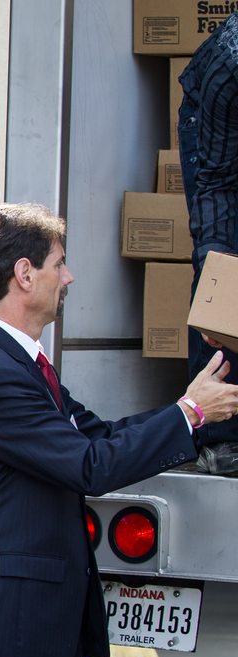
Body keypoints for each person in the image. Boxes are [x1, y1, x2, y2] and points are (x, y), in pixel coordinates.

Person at [0, 204, 238, 657]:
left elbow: (98, 436)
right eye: (60, 263)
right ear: (25, 274)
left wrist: (197, 414)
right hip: (10, 633)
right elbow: (89, 466)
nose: (69, 277)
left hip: (45, 631)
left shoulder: (27, 368)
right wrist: (189, 412)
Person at [178, 10, 238, 474]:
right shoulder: (228, 67)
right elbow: (217, 184)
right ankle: (217, 438)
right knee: (225, 273)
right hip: (219, 147)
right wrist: (215, 283)